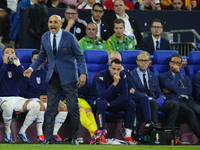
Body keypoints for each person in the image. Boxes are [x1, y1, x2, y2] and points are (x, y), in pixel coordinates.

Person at [23, 15, 87, 145]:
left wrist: (83, 73)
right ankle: (47, 139)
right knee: (51, 109)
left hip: (69, 77)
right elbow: (41, 56)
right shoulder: (45, 36)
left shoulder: (69, 37)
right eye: (50, 22)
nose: (52, 24)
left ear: (60, 24)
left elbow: (80, 57)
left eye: (55, 22)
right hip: (53, 77)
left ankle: (74, 138)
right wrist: (31, 68)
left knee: (73, 108)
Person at [19, 49, 68, 143]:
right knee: (40, 106)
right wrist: (38, 97)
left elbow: (54, 89)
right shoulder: (26, 73)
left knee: (64, 107)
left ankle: (54, 133)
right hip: (32, 99)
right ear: (31, 61)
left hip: (47, 98)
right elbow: (23, 91)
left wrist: (49, 96)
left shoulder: (47, 74)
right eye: (34, 59)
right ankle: (40, 134)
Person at [0, 45, 43, 143]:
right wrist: (5, 64)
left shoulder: (18, 67)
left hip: (15, 98)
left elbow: (27, 82)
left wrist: (19, 65)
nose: (10, 54)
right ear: (3, 56)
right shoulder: (1, 66)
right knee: (8, 106)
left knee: (36, 105)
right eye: (7, 53)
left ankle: (22, 132)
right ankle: (8, 132)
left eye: (12, 52)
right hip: (2, 98)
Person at [89, 58, 137, 145]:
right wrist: (114, 83)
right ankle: (100, 135)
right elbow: (102, 95)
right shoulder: (101, 75)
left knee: (131, 103)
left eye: (118, 69)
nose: (116, 72)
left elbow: (124, 95)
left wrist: (111, 104)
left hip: (111, 102)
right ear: (109, 68)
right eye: (114, 69)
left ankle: (128, 135)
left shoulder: (123, 76)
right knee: (102, 102)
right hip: (96, 100)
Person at [108, 52, 153, 141]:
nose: (114, 61)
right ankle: (131, 134)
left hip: (128, 96)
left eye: (116, 59)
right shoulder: (107, 73)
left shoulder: (126, 72)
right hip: (118, 99)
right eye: (112, 59)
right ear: (109, 62)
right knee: (133, 104)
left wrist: (123, 71)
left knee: (143, 100)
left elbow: (132, 86)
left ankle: (148, 123)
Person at [130, 51, 179, 127]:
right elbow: (134, 92)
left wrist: (162, 97)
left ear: (149, 62)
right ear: (137, 61)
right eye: (141, 60)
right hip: (143, 101)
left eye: (146, 60)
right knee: (154, 103)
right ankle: (155, 128)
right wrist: (149, 98)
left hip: (155, 100)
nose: (143, 63)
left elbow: (158, 91)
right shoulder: (131, 75)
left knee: (175, 105)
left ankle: (168, 129)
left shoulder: (153, 75)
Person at [159, 54, 200, 140]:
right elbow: (172, 87)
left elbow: (189, 91)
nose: (176, 65)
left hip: (188, 100)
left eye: (178, 63)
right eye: (174, 62)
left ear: (181, 65)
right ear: (170, 63)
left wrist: (173, 89)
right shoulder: (164, 76)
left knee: (198, 110)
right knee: (190, 112)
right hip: (176, 100)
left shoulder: (185, 77)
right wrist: (177, 74)